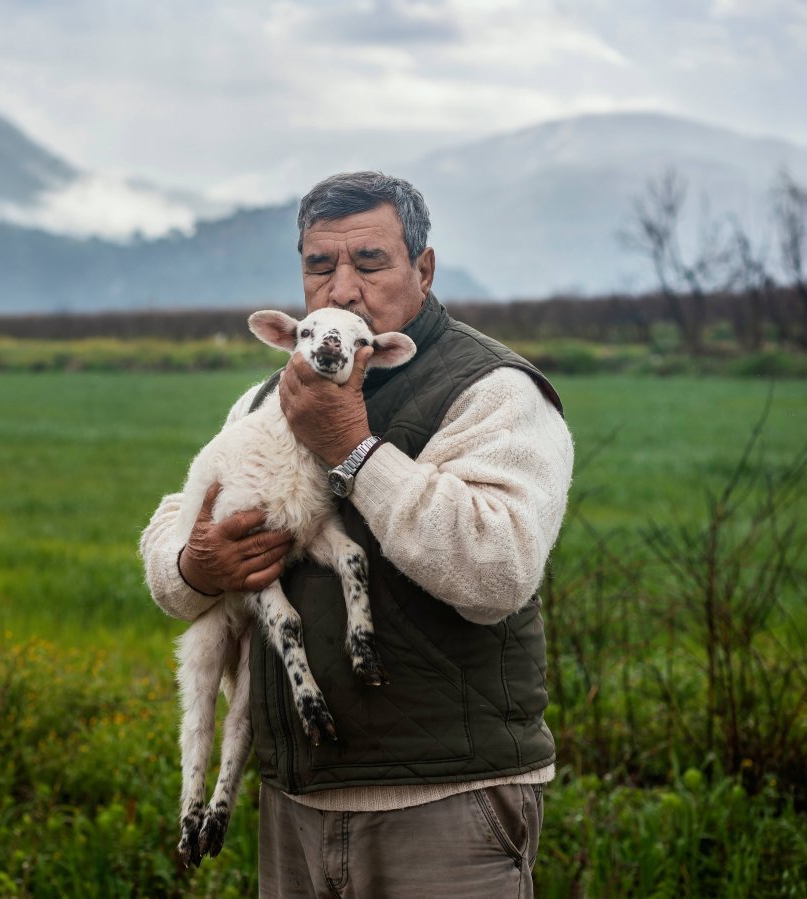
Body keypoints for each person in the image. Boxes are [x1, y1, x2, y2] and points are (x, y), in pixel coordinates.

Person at [140, 171, 574, 898]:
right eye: (320, 265)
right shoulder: (266, 397)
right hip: (294, 802)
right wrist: (195, 565)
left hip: (443, 803)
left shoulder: (489, 389)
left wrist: (355, 448)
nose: (342, 288)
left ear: (424, 268)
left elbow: (497, 571)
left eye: (369, 261)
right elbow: (179, 519)